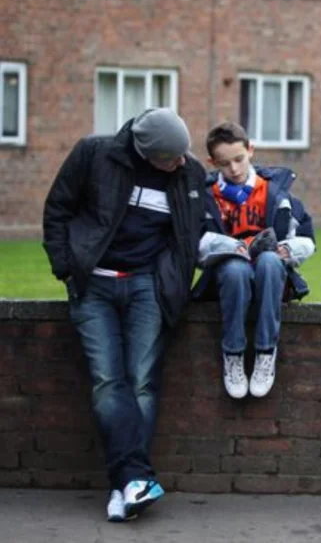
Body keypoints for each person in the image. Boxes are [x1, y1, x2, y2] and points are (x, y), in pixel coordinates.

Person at [42, 108, 206, 521]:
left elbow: (189, 235)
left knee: (142, 383)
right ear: (145, 151)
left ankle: (127, 486)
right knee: (106, 380)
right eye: (172, 157)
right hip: (93, 285)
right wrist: (66, 267)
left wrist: (172, 280)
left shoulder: (189, 173)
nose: (181, 163)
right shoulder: (93, 155)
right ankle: (134, 479)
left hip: (146, 286)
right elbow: (58, 209)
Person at [193, 122, 315, 399]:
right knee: (235, 269)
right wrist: (228, 246)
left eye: (239, 159)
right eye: (224, 164)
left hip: (270, 277)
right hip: (227, 279)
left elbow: (308, 238)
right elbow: (194, 246)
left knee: (271, 261)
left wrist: (289, 249)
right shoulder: (205, 197)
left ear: (250, 151)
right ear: (212, 162)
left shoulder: (275, 192)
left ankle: (265, 353)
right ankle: (233, 355)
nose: (234, 169)